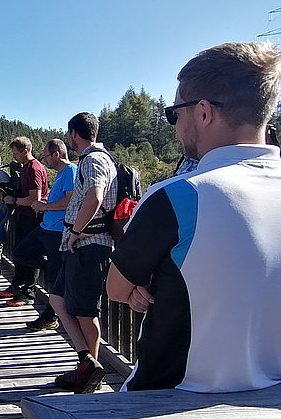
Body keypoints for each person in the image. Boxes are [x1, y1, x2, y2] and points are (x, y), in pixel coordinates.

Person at [107, 42, 281, 393]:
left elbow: (116, 287)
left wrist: (150, 282)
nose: (174, 125)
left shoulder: (177, 197)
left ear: (203, 112)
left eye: (175, 113)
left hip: (170, 400)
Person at [48, 113, 117, 394]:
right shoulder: (94, 160)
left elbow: (95, 196)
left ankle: (90, 371)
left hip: (89, 245)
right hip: (81, 245)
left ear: (74, 134)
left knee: (86, 312)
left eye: (69, 134)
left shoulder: (94, 160)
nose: (68, 139)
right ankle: (86, 362)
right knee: (57, 298)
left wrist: (76, 232)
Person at [10, 139, 77, 330]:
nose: (45, 159)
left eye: (46, 156)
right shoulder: (61, 173)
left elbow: (70, 201)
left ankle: (49, 316)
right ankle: (57, 271)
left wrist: (45, 205)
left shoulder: (71, 170)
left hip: (57, 231)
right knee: (20, 253)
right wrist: (45, 204)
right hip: (46, 227)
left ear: (57, 154)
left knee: (54, 281)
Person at [1, 136, 49, 305]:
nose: (14, 156)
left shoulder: (34, 168)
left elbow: (34, 199)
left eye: (15, 153)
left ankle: (29, 293)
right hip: (24, 216)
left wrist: (14, 200)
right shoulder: (26, 167)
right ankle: (17, 285)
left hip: (33, 218)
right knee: (19, 252)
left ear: (26, 151)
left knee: (29, 254)